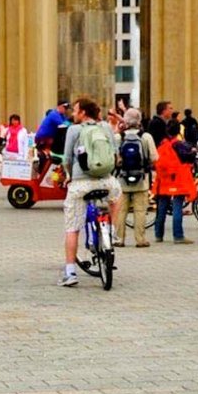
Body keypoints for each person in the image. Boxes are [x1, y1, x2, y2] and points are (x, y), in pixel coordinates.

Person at [59, 98, 120, 287]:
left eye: (75, 110)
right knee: (117, 196)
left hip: (81, 183)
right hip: (106, 180)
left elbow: (67, 159)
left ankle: (70, 273)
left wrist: (69, 176)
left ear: (83, 113)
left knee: (72, 228)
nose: (73, 114)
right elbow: (116, 155)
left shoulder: (73, 130)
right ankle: (112, 231)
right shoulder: (106, 128)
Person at [112, 107, 156, 248]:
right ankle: (140, 239)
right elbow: (154, 157)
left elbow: (113, 158)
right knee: (140, 210)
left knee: (121, 210)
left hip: (122, 179)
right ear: (139, 121)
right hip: (141, 179)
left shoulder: (118, 137)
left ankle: (119, 239)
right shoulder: (146, 137)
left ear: (125, 121)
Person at [152, 123, 196, 244]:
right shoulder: (180, 145)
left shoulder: (162, 145)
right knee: (177, 207)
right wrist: (193, 152)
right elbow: (189, 158)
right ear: (178, 132)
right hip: (178, 180)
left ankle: (158, 234)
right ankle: (178, 236)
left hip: (164, 180)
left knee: (161, 208)